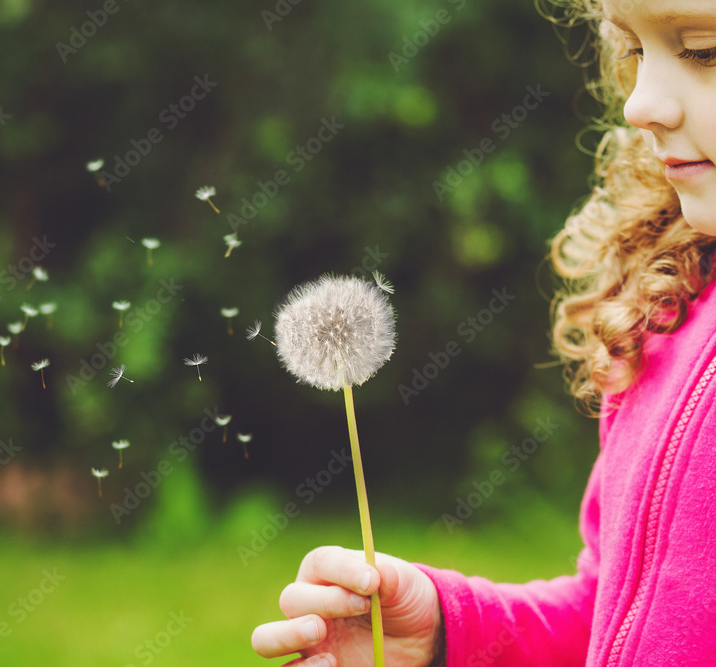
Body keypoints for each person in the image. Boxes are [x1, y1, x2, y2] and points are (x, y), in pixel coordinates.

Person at [251, 0, 716, 664]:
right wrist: (448, 631)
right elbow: (615, 613)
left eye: (703, 50)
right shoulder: (670, 303)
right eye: (636, 51)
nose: (642, 102)